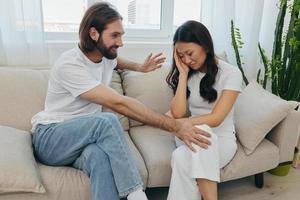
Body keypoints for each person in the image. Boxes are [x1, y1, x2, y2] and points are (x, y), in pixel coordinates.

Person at [31, 3, 211, 200]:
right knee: (106, 120)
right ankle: (136, 193)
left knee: (99, 158)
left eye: (121, 35)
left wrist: (139, 67)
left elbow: (117, 61)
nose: (121, 42)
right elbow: (120, 104)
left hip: (82, 142)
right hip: (51, 139)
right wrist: (175, 126)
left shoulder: (105, 56)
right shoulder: (70, 64)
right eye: (115, 35)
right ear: (94, 34)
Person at [166, 20, 243, 200]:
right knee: (199, 133)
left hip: (221, 140)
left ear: (206, 46)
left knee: (180, 158)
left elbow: (216, 118)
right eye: (181, 55)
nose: (186, 59)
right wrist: (183, 75)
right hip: (187, 136)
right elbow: (177, 113)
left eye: (189, 53)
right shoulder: (186, 72)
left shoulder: (231, 73)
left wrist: (178, 124)